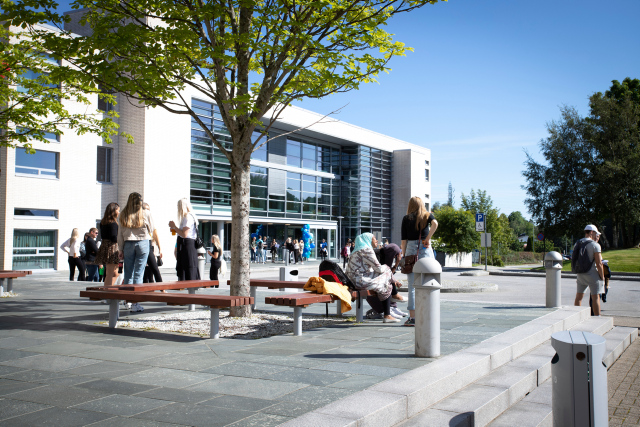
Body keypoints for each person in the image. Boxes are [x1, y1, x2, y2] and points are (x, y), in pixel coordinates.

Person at [345, 233, 401, 323]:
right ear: (368, 240)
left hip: (352, 281)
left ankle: (393, 299)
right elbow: (378, 268)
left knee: (386, 275)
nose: (376, 240)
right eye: (374, 238)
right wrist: (387, 267)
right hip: (360, 281)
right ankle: (388, 312)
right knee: (386, 275)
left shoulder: (356, 251)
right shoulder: (367, 250)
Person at [401, 196, 438, 326]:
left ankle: (413, 318)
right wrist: (427, 238)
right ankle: (428, 313)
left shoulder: (406, 218)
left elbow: (404, 241)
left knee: (412, 286)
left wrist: (404, 256)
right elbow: (435, 224)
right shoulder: (427, 215)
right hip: (425, 249)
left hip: (411, 250)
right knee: (429, 282)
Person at [118, 192, 155, 312]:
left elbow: (120, 234)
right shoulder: (146, 213)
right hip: (143, 242)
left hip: (128, 243)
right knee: (139, 273)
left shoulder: (123, 213)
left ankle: (127, 301)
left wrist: (120, 248)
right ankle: (135, 304)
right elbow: (152, 228)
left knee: (128, 273)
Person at [574, 225, 604, 316]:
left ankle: (576, 315)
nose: (596, 236)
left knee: (579, 297)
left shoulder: (578, 243)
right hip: (592, 274)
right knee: (595, 297)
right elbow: (599, 264)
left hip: (580, 274)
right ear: (591, 232)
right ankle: (597, 318)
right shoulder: (595, 245)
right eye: (595, 233)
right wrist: (602, 276)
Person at [169, 198, 200, 281]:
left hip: (187, 245)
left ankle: (190, 290)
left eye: (178, 206)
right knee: (186, 268)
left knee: (189, 268)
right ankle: (188, 289)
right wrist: (174, 228)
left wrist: (174, 227)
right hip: (186, 245)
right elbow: (181, 233)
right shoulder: (187, 217)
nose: (177, 208)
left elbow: (185, 234)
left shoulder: (187, 217)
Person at [95, 203, 120, 286]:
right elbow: (113, 237)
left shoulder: (103, 222)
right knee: (110, 273)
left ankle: (109, 289)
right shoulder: (112, 223)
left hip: (105, 246)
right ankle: (107, 291)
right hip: (111, 247)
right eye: (118, 210)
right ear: (113, 211)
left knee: (114, 273)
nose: (119, 212)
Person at [142, 203, 163, 284]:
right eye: (146, 209)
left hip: (151, 247)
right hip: (144, 246)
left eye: (148, 209)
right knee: (145, 274)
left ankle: (161, 289)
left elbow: (156, 234)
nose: (147, 211)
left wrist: (160, 249)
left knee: (152, 270)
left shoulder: (150, 221)